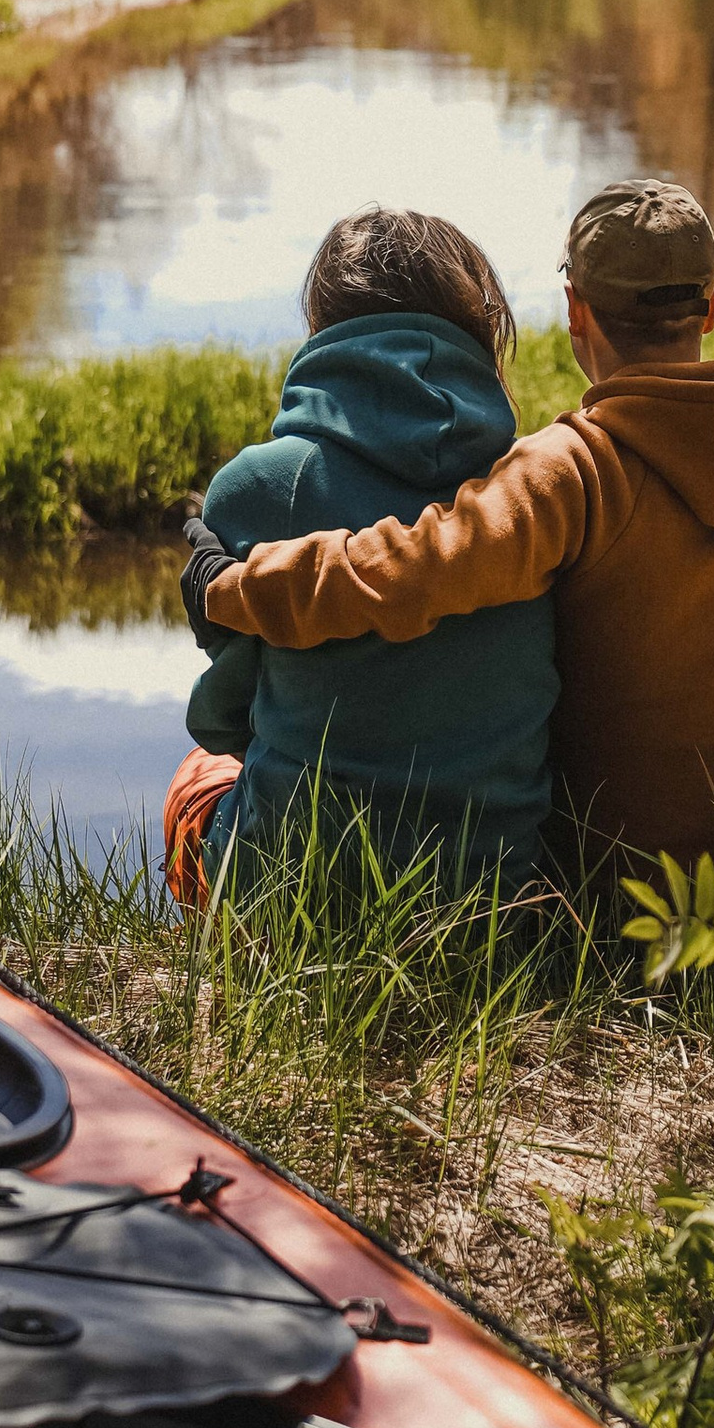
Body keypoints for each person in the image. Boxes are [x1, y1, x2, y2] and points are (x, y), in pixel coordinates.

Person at [183, 176, 714, 876]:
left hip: (644, 893)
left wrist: (230, 591)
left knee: (199, 780)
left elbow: (406, 573)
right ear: (712, 304)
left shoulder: (572, 472)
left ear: (576, 310)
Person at [161, 208, 558, 906]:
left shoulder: (262, 486)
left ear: (324, 326)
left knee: (196, 779)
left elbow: (227, 722)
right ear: (480, 328)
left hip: (296, 896)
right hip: (492, 901)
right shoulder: (530, 489)